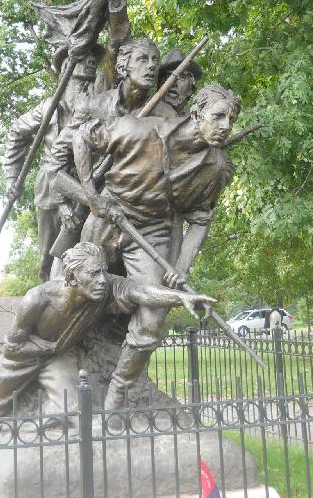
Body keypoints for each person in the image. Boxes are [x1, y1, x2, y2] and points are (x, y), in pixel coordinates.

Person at [72, 84, 241, 409]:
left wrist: (181, 267)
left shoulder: (216, 167)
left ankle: (117, 395)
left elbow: (201, 221)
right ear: (196, 113)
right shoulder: (140, 128)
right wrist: (92, 197)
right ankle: (63, 360)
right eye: (218, 116)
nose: (225, 126)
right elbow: (82, 137)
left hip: (153, 232)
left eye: (231, 120)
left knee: (152, 318)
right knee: (81, 295)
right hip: (110, 216)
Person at [0, 242, 215, 432]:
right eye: (93, 274)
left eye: (103, 272)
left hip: (59, 359)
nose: (101, 279)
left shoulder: (107, 288)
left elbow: (144, 292)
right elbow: (13, 347)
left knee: (75, 411)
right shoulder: (38, 298)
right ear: (72, 277)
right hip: (23, 358)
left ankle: (27, 428)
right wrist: (48, 346)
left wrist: (182, 297)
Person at [48, 37, 176, 258]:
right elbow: (56, 165)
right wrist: (73, 203)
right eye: (142, 59)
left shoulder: (167, 116)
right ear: (123, 66)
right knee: (72, 280)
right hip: (91, 207)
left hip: (143, 217)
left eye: (155, 60)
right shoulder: (92, 106)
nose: (151, 65)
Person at [2, 46, 104, 281]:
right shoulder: (49, 108)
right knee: (49, 258)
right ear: (66, 66)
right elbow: (17, 133)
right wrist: (11, 177)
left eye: (93, 60)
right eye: (84, 57)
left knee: (91, 251)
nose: (91, 61)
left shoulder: (98, 103)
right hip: (50, 188)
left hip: (88, 183)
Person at [157, 48, 203, 117]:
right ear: (161, 83)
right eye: (169, 77)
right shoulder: (147, 115)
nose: (173, 82)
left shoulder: (197, 121)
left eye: (182, 77)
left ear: (191, 88)